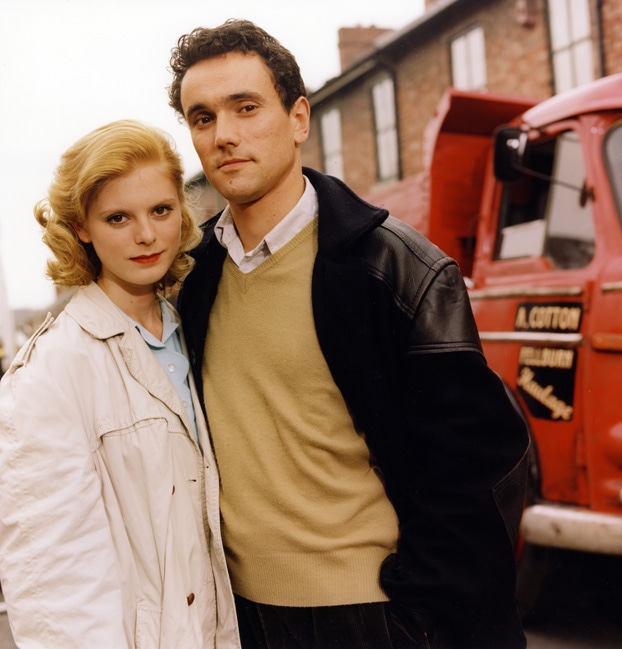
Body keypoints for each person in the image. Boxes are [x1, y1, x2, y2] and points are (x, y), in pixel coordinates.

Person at [168, 19, 530, 649]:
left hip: (373, 612)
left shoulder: (394, 266)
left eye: (246, 107)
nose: (223, 134)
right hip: (240, 618)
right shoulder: (191, 279)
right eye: (203, 118)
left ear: (298, 118)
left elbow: (479, 461)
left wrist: (420, 604)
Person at [0, 120, 241, 649]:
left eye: (161, 210)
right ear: (81, 228)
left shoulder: (193, 330)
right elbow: (55, 590)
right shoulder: (51, 370)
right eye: (117, 218)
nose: (146, 235)